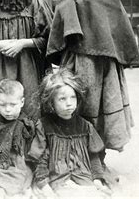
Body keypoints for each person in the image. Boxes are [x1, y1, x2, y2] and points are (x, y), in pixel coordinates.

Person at [47, 0, 139, 152]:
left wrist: (121, 55)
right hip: (76, 61)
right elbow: (59, 27)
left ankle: (98, 157)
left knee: (101, 107)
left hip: (102, 63)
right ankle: (73, 153)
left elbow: (118, 29)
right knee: (74, 104)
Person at [29, 69, 111, 198]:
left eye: (73, 97)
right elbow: (40, 159)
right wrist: (43, 185)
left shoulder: (85, 126)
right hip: (57, 179)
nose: (69, 103)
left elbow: (94, 157)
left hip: (83, 177)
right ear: (51, 102)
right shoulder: (44, 126)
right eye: (62, 99)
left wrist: (97, 179)